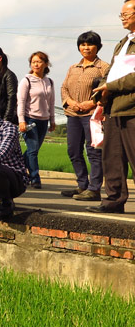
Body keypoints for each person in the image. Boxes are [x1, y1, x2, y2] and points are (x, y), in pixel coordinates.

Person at [88, 0, 135, 214]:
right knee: (112, 157)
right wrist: (102, 91)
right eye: (121, 14)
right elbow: (111, 71)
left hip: (132, 108)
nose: (122, 18)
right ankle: (114, 201)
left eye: (126, 14)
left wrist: (111, 86)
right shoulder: (123, 42)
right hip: (114, 107)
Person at [60, 31, 110, 200]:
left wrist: (92, 102)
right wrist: (70, 102)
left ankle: (94, 189)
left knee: (94, 151)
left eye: (90, 44)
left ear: (98, 46)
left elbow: (107, 89)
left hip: (92, 115)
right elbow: (64, 88)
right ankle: (82, 185)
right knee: (73, 150)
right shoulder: (73, 67)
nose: (86, 48)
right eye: (82, 44)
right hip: (72, 114)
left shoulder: (104, 67)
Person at [17, 51, 56, 189]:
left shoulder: (49, 81)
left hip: (43, 120)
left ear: (46, 64)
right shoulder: (26, 80)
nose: (36, 64)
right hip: (30, 119)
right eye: (33, 62)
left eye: (39, 62)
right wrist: (21, 120)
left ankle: (17, 169)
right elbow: (21, 102)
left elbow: (51, 102)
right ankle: (34, 178)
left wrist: (52, 120)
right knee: (32, 150)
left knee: (33, 150)